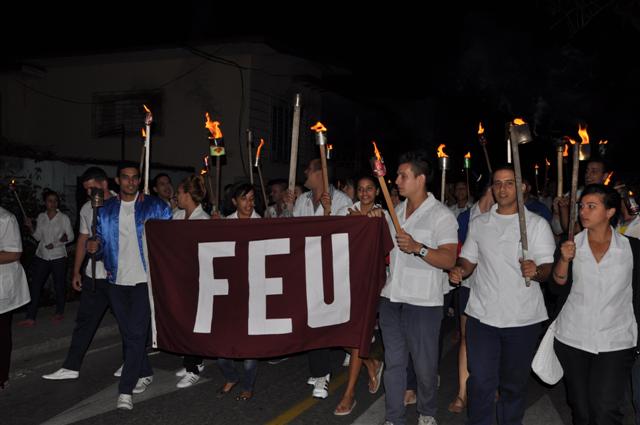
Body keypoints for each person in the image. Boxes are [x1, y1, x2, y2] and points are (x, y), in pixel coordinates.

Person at [448, 165, 555, 425]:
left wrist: (536, 270)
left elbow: (547, 269)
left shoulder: (536, 224)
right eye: (498, 183)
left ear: (522, 188)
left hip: (522, 319)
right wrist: (460, 269)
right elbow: (469, 259)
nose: (503, 188)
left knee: (513, 386)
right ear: (492, 189)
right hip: (483, 316)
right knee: (481, 381)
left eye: (509, 183)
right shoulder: (480, 223)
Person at [370, 150, 458, 425]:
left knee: (424, 366)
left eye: (403, 175)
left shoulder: (441, 216)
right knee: (395, 363)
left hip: (423, 303)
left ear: (420, 179)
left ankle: (427, 412)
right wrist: (373, 218)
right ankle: (393, 417)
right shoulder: (395, 212)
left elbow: (449, 258)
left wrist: (418, 248)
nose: (396, 180)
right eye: (396, 175)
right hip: (392, 299)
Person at [87, 161, 172, 410]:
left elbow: (171, 241)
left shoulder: (156, 207)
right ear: (117, 181)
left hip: (145, 281)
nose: (131, 182)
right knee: (129, 334)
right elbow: (101, 244)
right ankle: (145, 371)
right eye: (126, 178)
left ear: (139, 180)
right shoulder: (104, 210)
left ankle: (125, 389)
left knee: (135, 334)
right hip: (116, 280)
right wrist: (94, 247)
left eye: (135, 178)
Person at [552, 184, 637, 425]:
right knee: (582, 409)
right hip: (573, 338)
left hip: (616, 340)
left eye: (591, 206)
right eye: (581, 207)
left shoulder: (631, 249)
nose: (583, 212)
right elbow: (556, 286)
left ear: (610, 212)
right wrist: (564, 261)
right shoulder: (571, 246)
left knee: (606, 409)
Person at [284, 158, 353, 399]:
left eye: (309, 169)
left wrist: (329, 212)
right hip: (304, 269)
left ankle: (322, 375)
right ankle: (318, 369)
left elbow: (345, 235)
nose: (304, 172)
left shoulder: (343, 202)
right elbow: (291, 233)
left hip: (329, 271)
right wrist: (288, 209)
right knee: (308, 322)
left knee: (320, 323)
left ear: (320, 174)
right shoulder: (302, 200)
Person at [42, 167, 119, 381]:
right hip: (93, 276)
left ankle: (135, 362)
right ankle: (71, 366)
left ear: (104, 184)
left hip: (117, 277)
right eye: (85, 189)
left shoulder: (122, 205)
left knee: (128, 323)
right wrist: (76, 271)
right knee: (84, 321)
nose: (88, 193)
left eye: (91, 188)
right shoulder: (87, 208)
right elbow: (83, 239)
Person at [333, 176, 385, 416]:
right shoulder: (346, 211)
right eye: (361, 189)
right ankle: (371, 362)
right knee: (337, 332)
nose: (364, 194)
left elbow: (387, 246)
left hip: (368, 283)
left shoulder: (382, 215)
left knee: (354, 336)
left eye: (369, 189)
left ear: (376, 192)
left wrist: (373, 221)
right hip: (344, 280)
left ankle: (349, 393)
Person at [447, 183, 494, 414]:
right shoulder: (468, 217)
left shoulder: (517, 218)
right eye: (495, 187)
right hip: (469, 286)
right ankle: (462, 393)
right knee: (467, 339)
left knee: (493, 338)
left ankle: (491, 384)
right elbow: (459, 250)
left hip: (496, 289)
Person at [215, 183, 260, 401]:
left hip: (255, 293)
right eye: (244, 199)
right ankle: (231, 377)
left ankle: (249, 385)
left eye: (252, 199)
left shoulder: (264, 225)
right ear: (235, 201)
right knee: (222, 348)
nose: (249, 204)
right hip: (229, 293)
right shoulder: (224, 224)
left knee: (250, 348)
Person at [171, 175, 210, 388]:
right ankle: (196, 360)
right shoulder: (177, 216)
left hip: (196, 279)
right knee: (185, 322)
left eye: (179, 192)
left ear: (187, 195)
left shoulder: (202, 220)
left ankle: (192, 368)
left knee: (193, 323)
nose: (176, 196)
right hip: (180, 278)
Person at [18, 190, 73, 326]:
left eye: (55, 200)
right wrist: (31, 227)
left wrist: (56, 243)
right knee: (36, 286)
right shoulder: (41, 217)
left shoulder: (63, 218)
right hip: (41, 255)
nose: (53, 203)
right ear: (45, 202)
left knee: (59, 285)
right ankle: (30, 317)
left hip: (58, 256)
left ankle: (59, 312)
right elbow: (37, 237)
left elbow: (70, 236)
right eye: (50, 200)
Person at [0, 206, 30, 389]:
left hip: (2, 286)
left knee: (1, 332)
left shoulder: (5, 218)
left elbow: (14, 253)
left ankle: (1, 376)